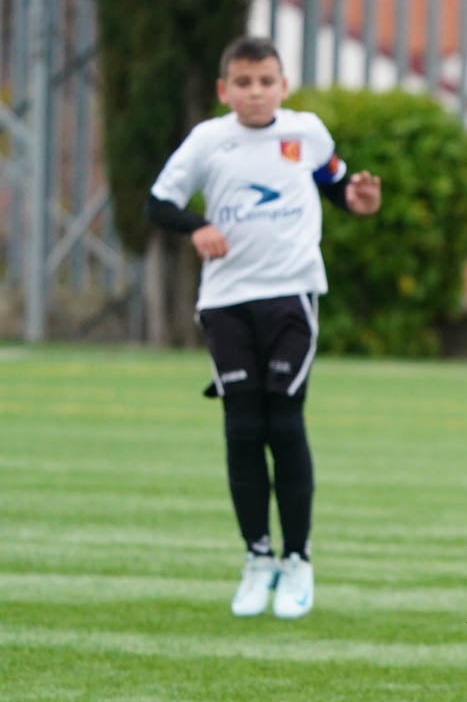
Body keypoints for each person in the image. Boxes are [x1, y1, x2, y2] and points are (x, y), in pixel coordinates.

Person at [146, 35, 382, 619]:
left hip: (291, 297)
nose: (255, 92)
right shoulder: (209, 140)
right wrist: (196, 225)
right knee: (242, 427)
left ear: (283, 85)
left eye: (266, 81)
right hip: (226, 300)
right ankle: (257, 558)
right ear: (225, 90)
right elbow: (158, 202)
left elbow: (336, 183)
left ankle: (297, 560)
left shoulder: (305, 134)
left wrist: (358, 200)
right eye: (243, 83)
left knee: (285, 422)